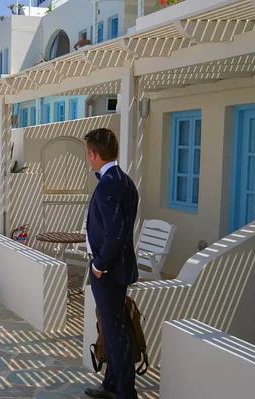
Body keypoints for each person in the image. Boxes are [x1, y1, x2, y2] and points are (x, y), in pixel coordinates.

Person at [83, 128, 139, 399]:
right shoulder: (125, 181)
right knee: (113, 328)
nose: (87, 157)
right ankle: (111, 385)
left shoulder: (107, 185)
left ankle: (125, 392)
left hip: (108, 272)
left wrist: (99, 266)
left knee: (115, 333)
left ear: (94, 154)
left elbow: (116, 234)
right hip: (121, 269)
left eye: (87, 152)